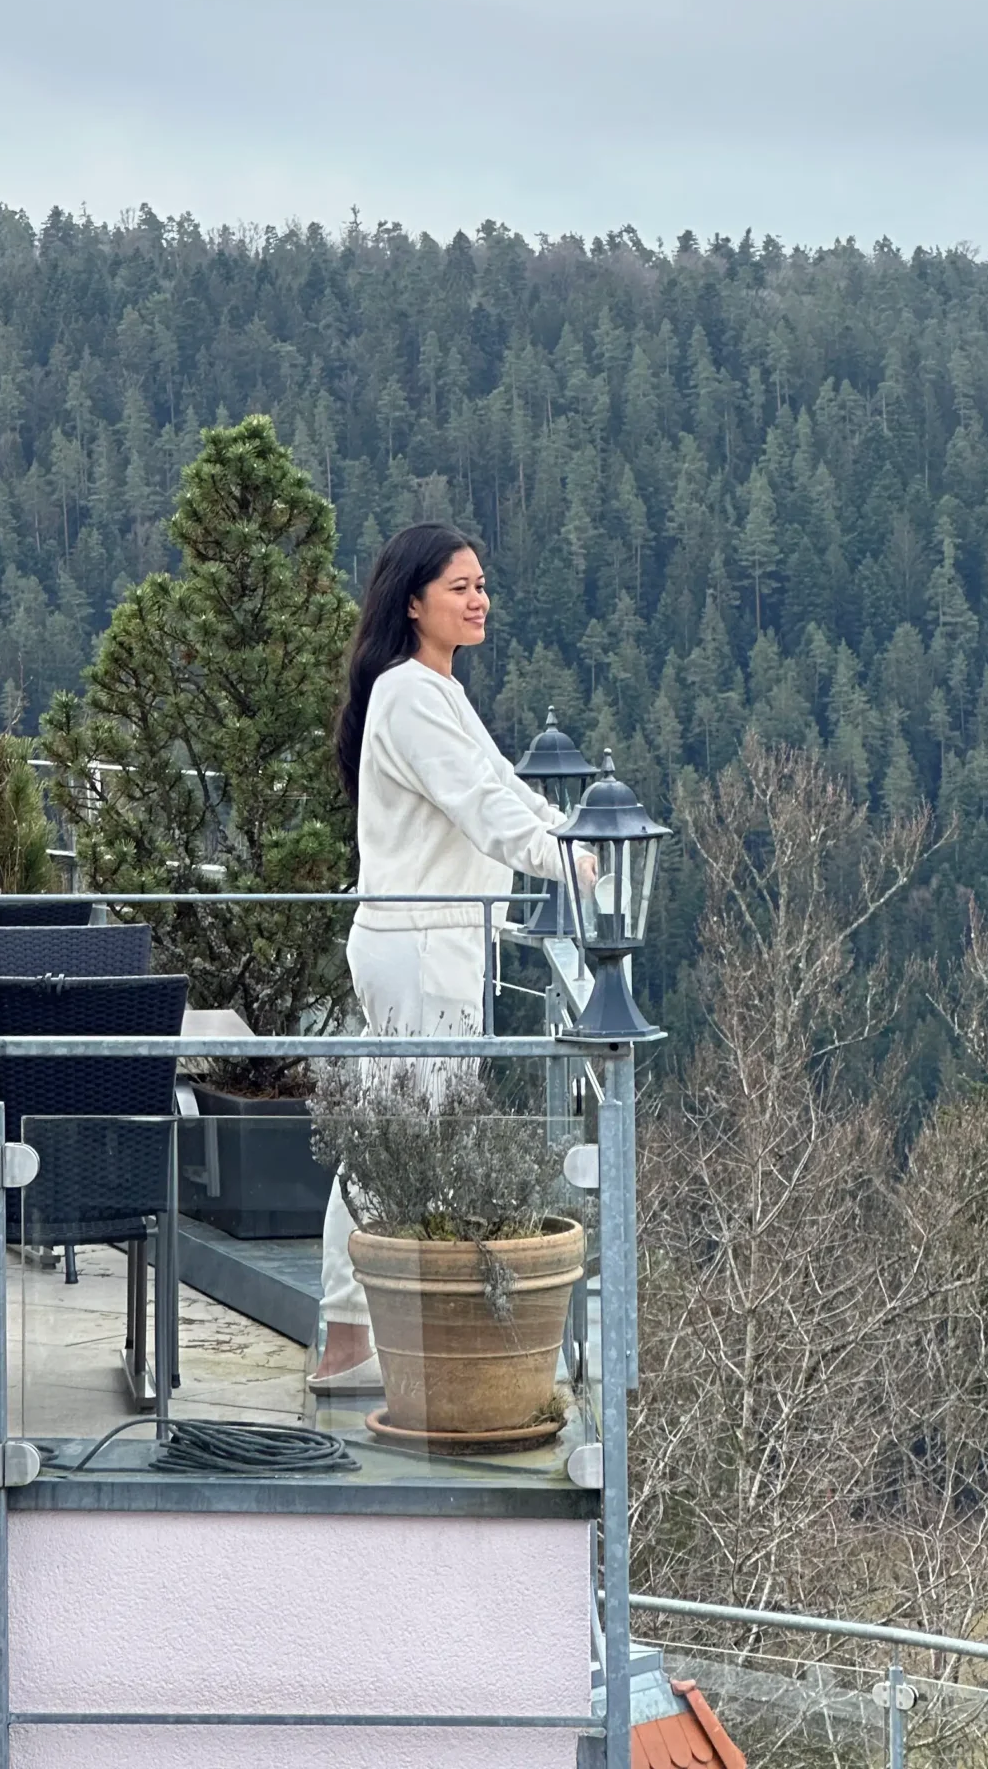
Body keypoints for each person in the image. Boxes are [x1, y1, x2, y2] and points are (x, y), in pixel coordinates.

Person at [309, 522, 584, 1393]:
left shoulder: (433, 689)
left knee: (394, 1133)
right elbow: (482, 808)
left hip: (432, 937)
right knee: (402, 1136)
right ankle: (355, 1341)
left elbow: (503, 785)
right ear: (414, 599)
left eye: (482, 584)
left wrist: (575, 836)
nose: (479, 599)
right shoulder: (410, 694)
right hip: (421, 941)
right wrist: (570, 861)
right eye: (460, 586)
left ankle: (354, 1336)